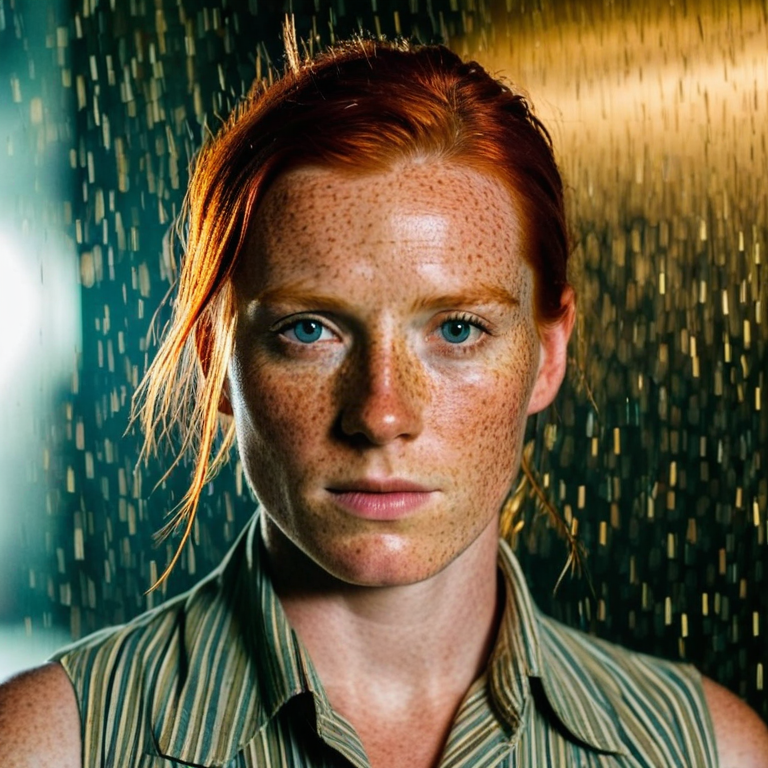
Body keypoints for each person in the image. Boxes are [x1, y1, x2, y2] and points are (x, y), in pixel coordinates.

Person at [1, 35, 767, 768]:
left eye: (459, 329)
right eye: (310, 330)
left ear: (548, 355)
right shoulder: (49, 748)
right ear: (217, 357)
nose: (381, 414)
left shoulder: (706, 751)